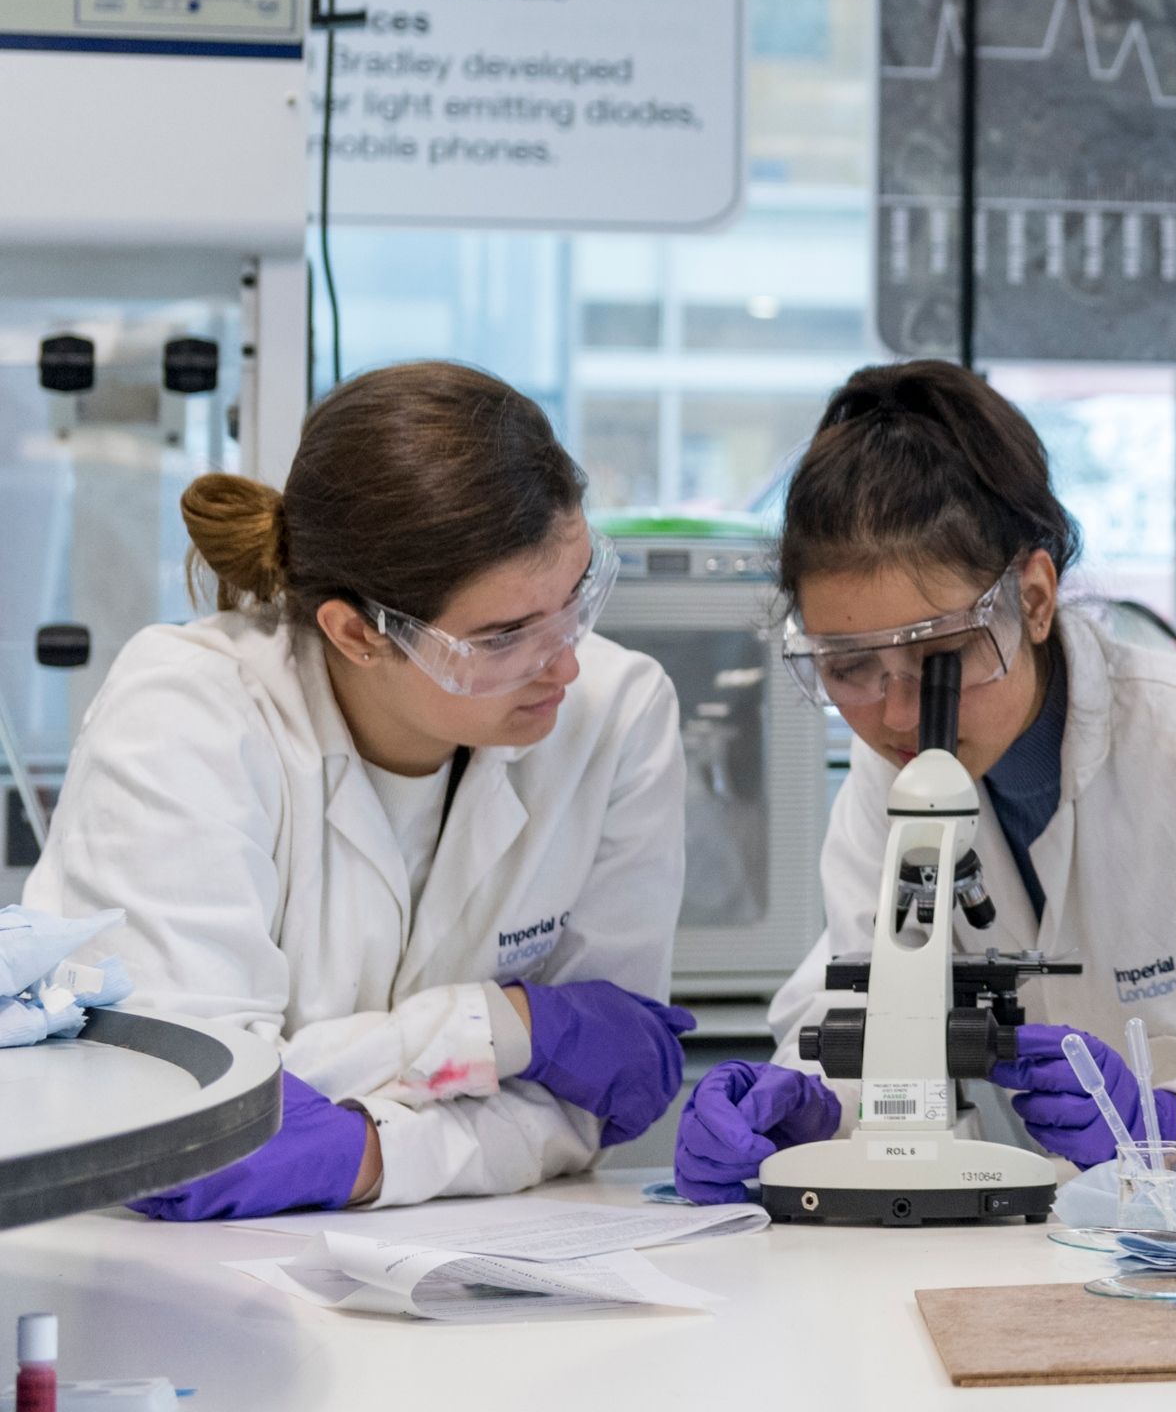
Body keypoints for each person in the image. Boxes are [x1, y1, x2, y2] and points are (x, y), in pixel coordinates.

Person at [672, 362, 1176, 1202]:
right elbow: (868, 1018)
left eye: (941, 660)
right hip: (1063, 1268)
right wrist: (805, 1112)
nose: (899, 716)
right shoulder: (892, 787)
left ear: (1032, 597)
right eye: (849, 669)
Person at [29, 362, 690, 1217]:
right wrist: (507, 1028)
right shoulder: (188, 713)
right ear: (355, 633)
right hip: (172, 1283)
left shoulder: (616, 714)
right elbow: (177, 1122)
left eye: (577, 597)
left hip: (482, 1257)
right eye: (503, 636)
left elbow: (586, 1108)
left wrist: (353, 1147)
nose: (563, 661)